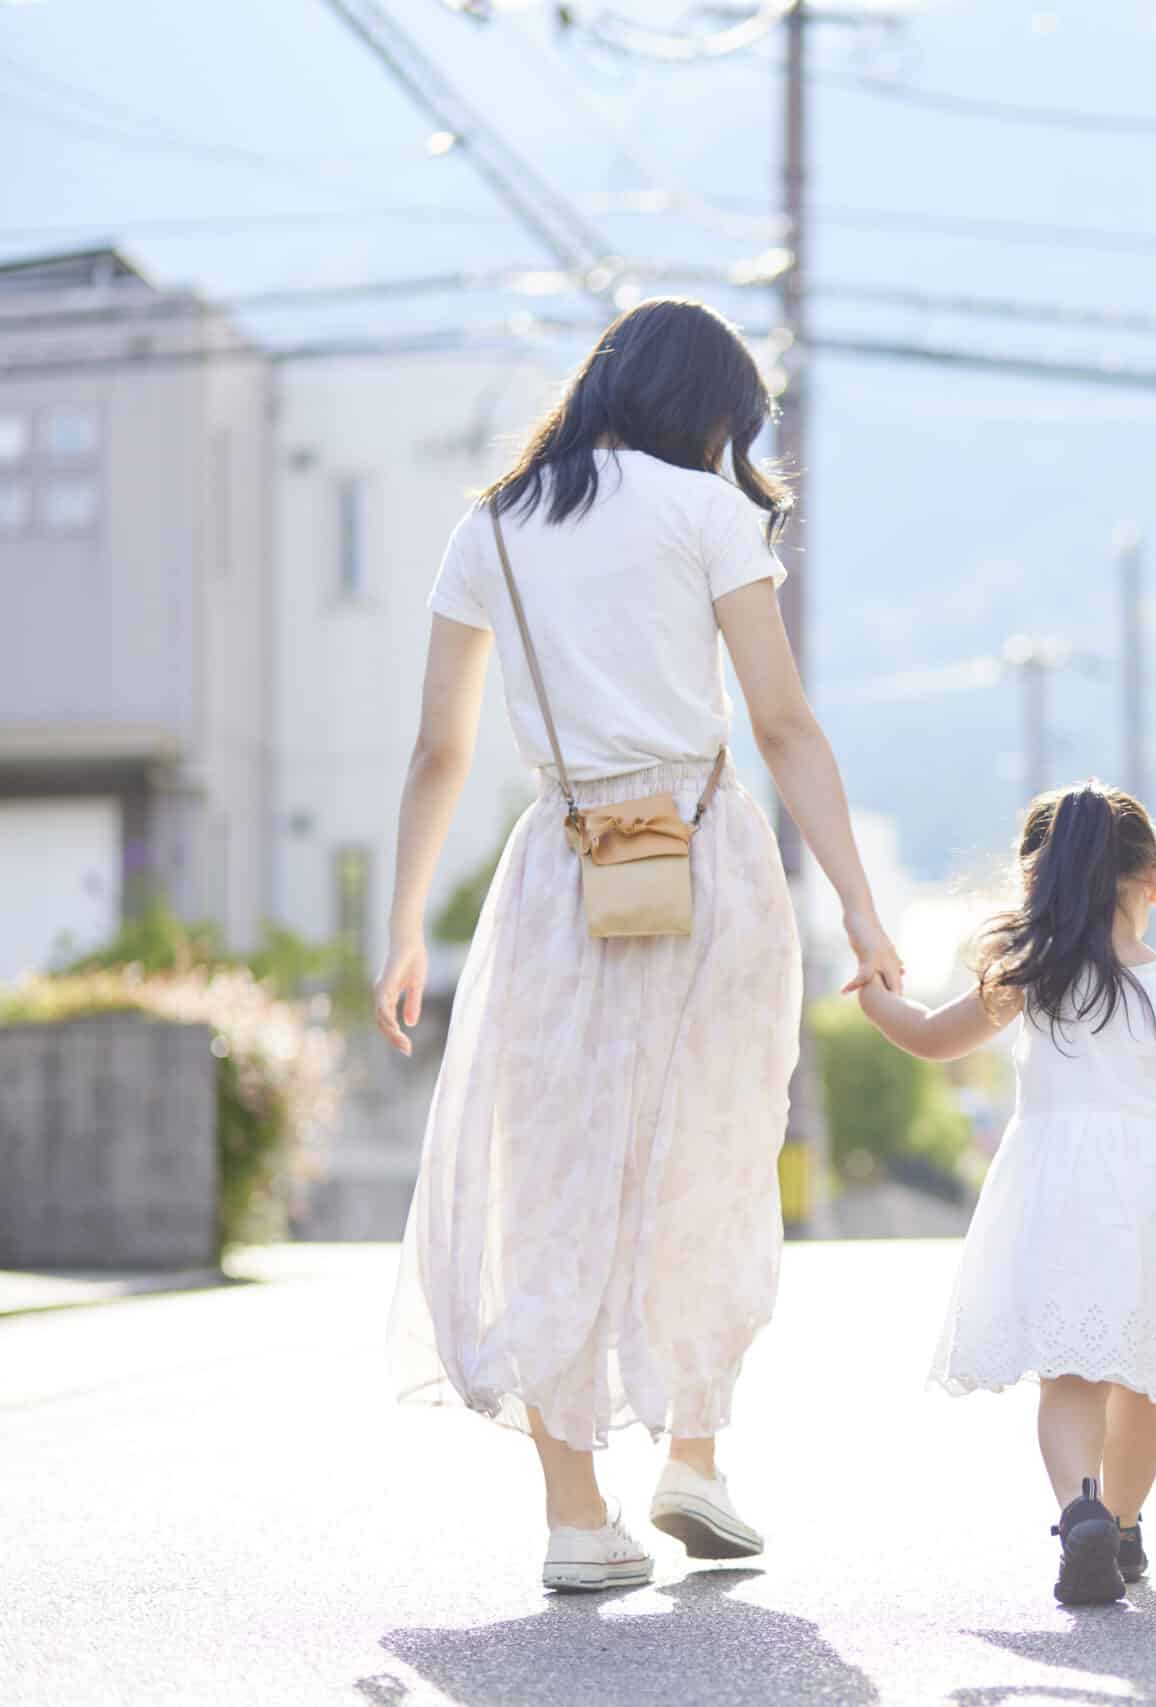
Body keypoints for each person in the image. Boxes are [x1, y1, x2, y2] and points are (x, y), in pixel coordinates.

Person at [371, 298, 905, 1592]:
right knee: (711, 1154)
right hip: (706, 852)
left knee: (554, 1172)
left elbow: (440, 748)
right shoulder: (709, 514)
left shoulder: (490, 525)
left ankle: (574, 1514)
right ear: (707, 410)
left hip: (563, 871)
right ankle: (696, 1456)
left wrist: (400, 924)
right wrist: (861, 906)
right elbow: (782, 727)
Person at [857, 781, 1156, 1605]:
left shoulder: (1031, 975)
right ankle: (1120, 1524)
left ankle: (1079, 1507)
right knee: (1143, 1377)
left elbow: (935, 1038)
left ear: (1039, 883)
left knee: (1069, 1372)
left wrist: (875, 997)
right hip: (1154, 1192)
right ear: (1154, 879)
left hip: (1053, 1186)